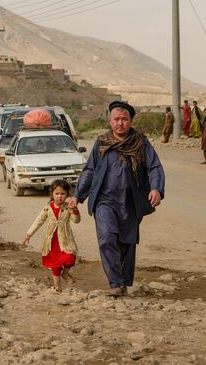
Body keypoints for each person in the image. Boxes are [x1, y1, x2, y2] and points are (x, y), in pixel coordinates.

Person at [69, 100, 165, 296]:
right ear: (110, 121)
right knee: (107, 238)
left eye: (124, 119)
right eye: (116, 119)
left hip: (130, 201)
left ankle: (123, 283)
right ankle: (115, 283)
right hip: (105, 200)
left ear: (130, 121)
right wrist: (78, 195)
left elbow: (154, 166)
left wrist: (156, 188)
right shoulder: (102, 142)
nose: (120, 123)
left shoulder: (140, 142)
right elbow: (90, 170)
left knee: (126, 243)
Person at [22, 180, 81, 292]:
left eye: (63, 194)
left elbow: (76, 220)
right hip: (51, 240)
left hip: (65, 239)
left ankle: (65, 273)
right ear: (52, 194)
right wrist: (28, 234)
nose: (59, 196)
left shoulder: (68, 207)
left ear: (67, 195)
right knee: (55, 265)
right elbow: (38, 221)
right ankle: (57, 287)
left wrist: (74, 210)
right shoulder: (47, 208)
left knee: (70, 256)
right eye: (57, 193)